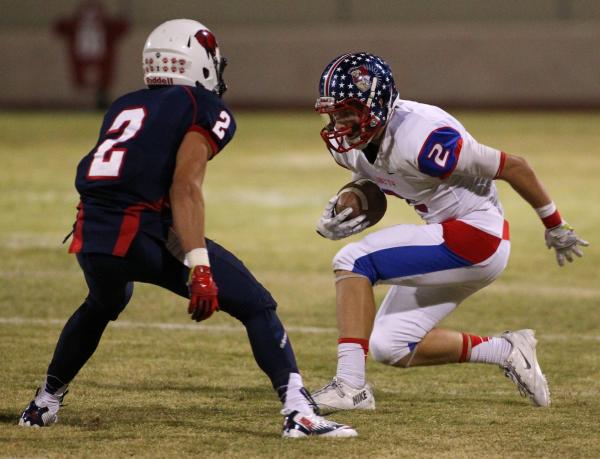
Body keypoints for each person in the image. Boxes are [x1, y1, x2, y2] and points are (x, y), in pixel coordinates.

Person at [18, 19, 357, 438]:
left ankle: (43, 404)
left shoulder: (122, 104)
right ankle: (298, 412)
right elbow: (185, 188)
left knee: (104, 302)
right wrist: (199, 266)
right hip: (142, 231)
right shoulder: (203, 106)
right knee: (256, 304)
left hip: (92, 233)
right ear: (198, 63)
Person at [310, 52, 589, 414]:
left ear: (376, 103)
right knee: (389, 346)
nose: (339, 123)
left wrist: (555, 225)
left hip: (475, 236)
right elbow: (379, 184)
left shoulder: (423, 139)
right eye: (334, 113)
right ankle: (506, 350)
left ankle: (350, 387)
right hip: (447, 238)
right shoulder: (354, 148)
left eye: (348, 111)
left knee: (353, 261)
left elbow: (514, 166)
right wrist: (352, 201)